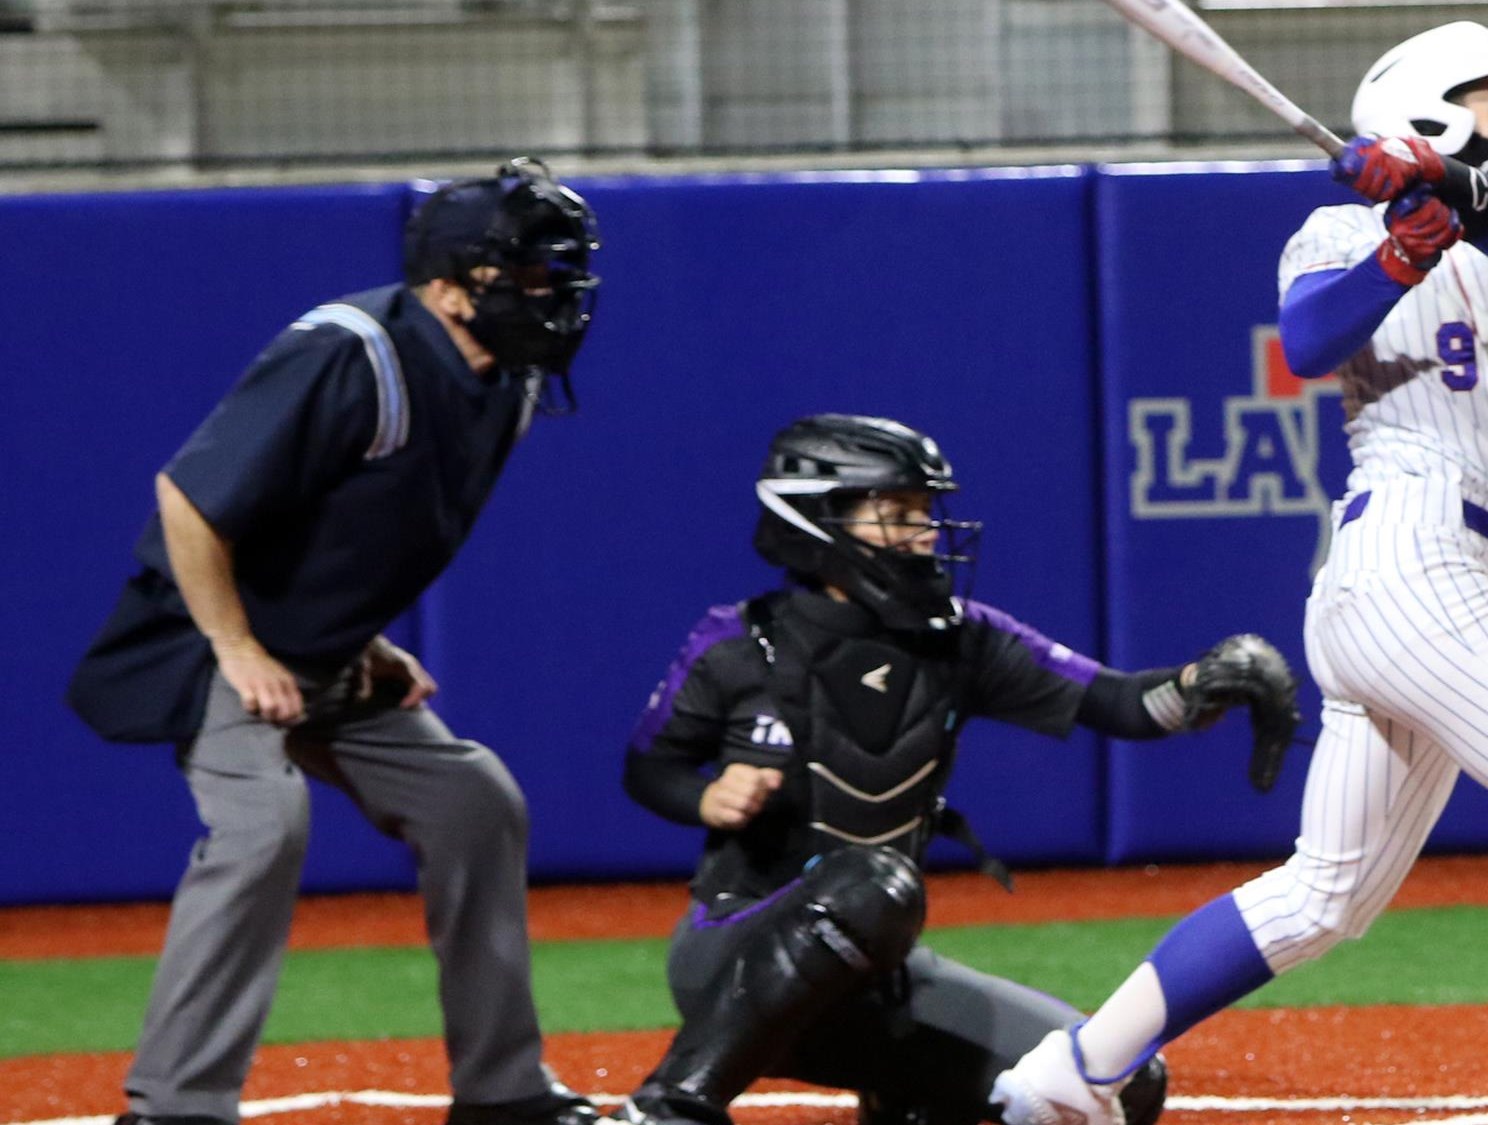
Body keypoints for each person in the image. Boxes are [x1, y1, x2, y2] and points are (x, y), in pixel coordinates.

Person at [989, 22, 1488, 1125]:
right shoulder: (1333, 230)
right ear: (1429, 107)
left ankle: (1073, 1072)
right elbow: (1308, 344)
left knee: (1321, 896)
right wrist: (1398, 247)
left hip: (1453, 585)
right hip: (1409, 565)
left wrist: (1448, 187)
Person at [66, 158, 605, 1125]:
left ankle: (504, 1091)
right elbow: (187, 499)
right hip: (211, 643)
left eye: (553, 271)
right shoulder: (352, 351)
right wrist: (236, 646)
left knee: (474, 801)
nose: (549, 291)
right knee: (262, 827)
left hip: (326, 655)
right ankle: (175, 1106)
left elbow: (373, 526)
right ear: (447, 286)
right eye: (522, 273)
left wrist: (364, 638)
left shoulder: (511, 384)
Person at [609, 414, 1301, 1125]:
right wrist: (706, 800)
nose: (925, 532)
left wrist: (1204, 682)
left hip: (877, 979)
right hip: (730, 954)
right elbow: (647, 766)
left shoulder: (962, 639)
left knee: (1118, 1083)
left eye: (924, 511)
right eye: (897, 512)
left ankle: (906, 1095)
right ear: (821, 520)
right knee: (876, 885)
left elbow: (1121, 703)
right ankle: (669, 1106)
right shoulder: (738, 639)